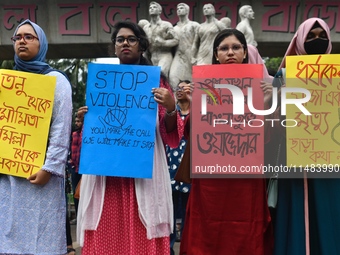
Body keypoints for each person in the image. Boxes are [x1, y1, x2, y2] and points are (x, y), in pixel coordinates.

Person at [76, 20, 184, 255]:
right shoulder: (102, 81)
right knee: (106, 228)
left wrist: (172, 108)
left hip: (144, 172)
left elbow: (169, 134)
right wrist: (84, 120)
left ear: (141, 46)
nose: (125, 43)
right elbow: (97, 131)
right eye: (120, 39)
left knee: (143, 229)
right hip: (108, 174)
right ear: (114, 47)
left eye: (131, 39)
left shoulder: (158, 81)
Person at [179, 28, 273, 255]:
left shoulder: (262, 86)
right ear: (216, 55)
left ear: (244, 53)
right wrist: (193, 105)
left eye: (236, 47)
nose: (230, 52)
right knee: (207, 232)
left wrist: (271, 101)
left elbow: (270, 137)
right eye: (224, 48)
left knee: (247, 230)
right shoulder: (205, 87)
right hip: (211, 180)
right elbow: (192, 134)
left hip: (247, 178)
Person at [0, 19, 72, 254]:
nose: (22, 41)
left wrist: (49, 168)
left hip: (40, 177)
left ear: (41, 43)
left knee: (42, 242)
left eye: (29, 37)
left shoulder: (57, 81)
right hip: (7, 177)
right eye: (18, 37)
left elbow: (61, 128)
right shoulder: (6, 82)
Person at [271, 17, 340, 255]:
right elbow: (274, 121)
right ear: (299, 41)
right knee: (298, 213)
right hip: (294, 157)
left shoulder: (338, 76)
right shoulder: (282, 76)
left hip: (330, 160)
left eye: (322, 36)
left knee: (329, 210)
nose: (316, 41)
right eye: (310, 37)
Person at [166, 80, 192, 255]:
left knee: (188, 209)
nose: (181, 90)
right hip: (170, 167)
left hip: (190, 167)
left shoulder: (198, 111)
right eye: (178, 88)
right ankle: (168, 248)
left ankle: (187, 247)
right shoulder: (171, 113)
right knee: (170, 209)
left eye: (185, 88)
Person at [144, 1, 179, 78]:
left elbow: (176, 40)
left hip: (164, 55)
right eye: (150, 8)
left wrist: (163, 42)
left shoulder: (166, 24)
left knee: (161, 73)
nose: (152, 9)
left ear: (160, 11)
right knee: (152, 77)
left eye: (154, 7)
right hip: (152, 56)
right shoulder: (146, 27)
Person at [169, 3, 200, 89]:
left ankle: (192, 100)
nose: (179, 10)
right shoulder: (174, 28)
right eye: (177, 8)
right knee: (173, 78)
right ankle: (177, 100)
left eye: (181, 8)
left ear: (187, 11)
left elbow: (198, 41)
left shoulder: (194, 25)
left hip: (191, 55)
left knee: (192, 80)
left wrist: (195, 56)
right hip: (178, 55)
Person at [69, 114, 83, 223]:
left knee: (84, 193)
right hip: (75, 168)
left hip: (84, 169)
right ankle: (78, 217)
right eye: (76, 121)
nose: (77, 123)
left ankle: (84, 217)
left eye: (79, 121)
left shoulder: (85, 133)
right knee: (76, 193)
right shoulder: (74, 134)